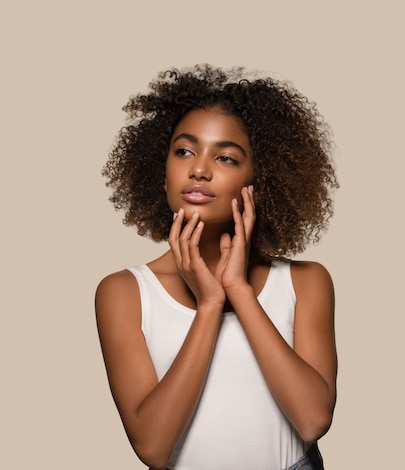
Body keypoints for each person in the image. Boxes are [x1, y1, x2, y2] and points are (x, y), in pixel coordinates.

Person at [96, 64, 338, 470]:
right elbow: (152, 448)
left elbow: (313, 419)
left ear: (259, 180)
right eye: (184, 151)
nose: (199, 169)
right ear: (163, 169)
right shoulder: (123, 292)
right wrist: (210, 305)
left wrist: (239, 291)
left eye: (225, 157)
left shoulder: (306, 281)